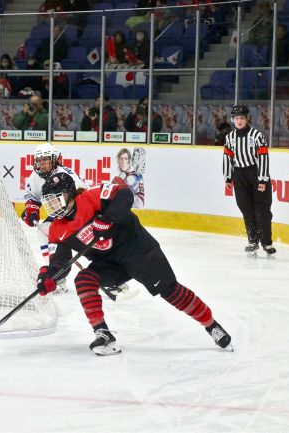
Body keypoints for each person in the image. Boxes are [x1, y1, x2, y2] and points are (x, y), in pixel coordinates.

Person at [36, 171, 233, 355]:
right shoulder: (56, 230)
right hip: (108, 263)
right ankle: (103, 334)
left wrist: (106, 218)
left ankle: (212, 325)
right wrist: (48, 276)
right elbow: (60, 264)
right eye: (49, 204)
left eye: (56, 201)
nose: (53, 208)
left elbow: (124, 195)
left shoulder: (91, 196)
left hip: (138, 250)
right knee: (83, 279)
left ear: (69, 194)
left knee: (170, 291)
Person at [21, 143, 86, 293]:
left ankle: (111, 278)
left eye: (45, 159)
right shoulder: (35, 177)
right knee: (44, 231)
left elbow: (81, 198)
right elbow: (33, 197)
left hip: (78, 215)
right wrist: (31, 210)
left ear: (54, 159)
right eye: (39, 160)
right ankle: (56, 277)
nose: (41, 163)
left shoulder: (67, 175)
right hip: (59, 215)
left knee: (92, 246)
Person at [223, 105, 276, 256]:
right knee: (246, 208)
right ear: (233, 120)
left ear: (247, 119)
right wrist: (228, 177)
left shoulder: (257, 135)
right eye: (236, 118)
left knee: (261, 209)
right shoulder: (230, 137)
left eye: (242, 118)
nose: (239, 121)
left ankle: (267, 243)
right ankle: (253, 241)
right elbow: (227, 157)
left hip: (256, 173)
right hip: (239, 175)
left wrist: (263, 179)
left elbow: (263, 157)